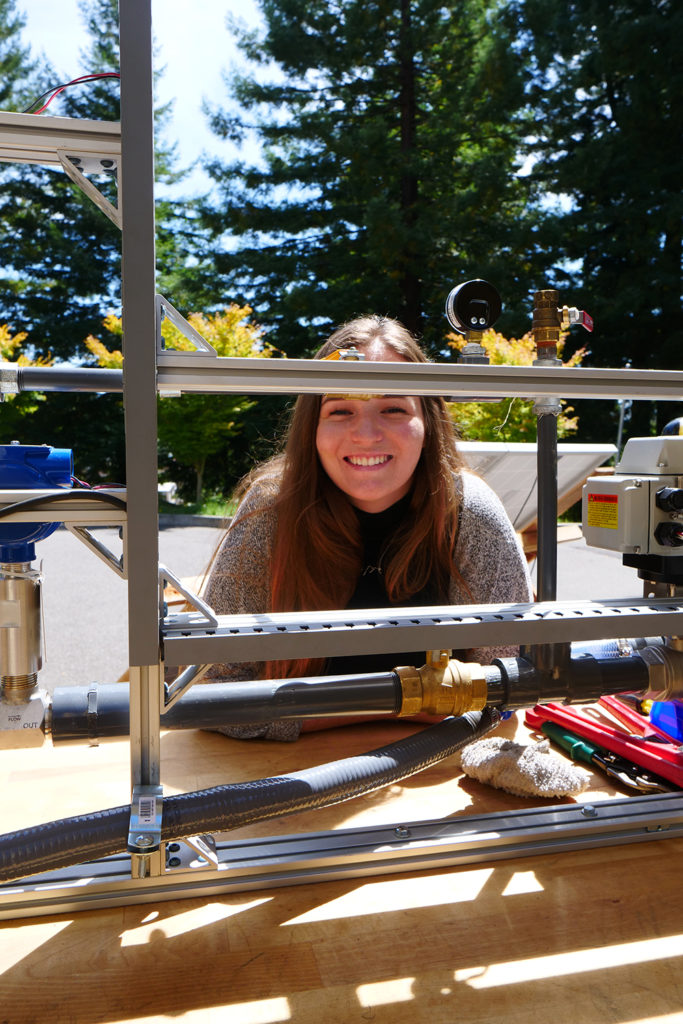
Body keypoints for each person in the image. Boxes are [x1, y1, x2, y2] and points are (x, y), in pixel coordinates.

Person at [204, 315, 533, 740]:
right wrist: (413, 704)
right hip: (282, 777)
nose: (366, 434)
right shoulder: (272, 510)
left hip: (438, 779)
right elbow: (209, 691)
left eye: (393, 408)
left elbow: (514, 681)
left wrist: (301, 713)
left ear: (428, 422)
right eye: (340, 410)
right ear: (312, 428)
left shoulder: (468, 510)